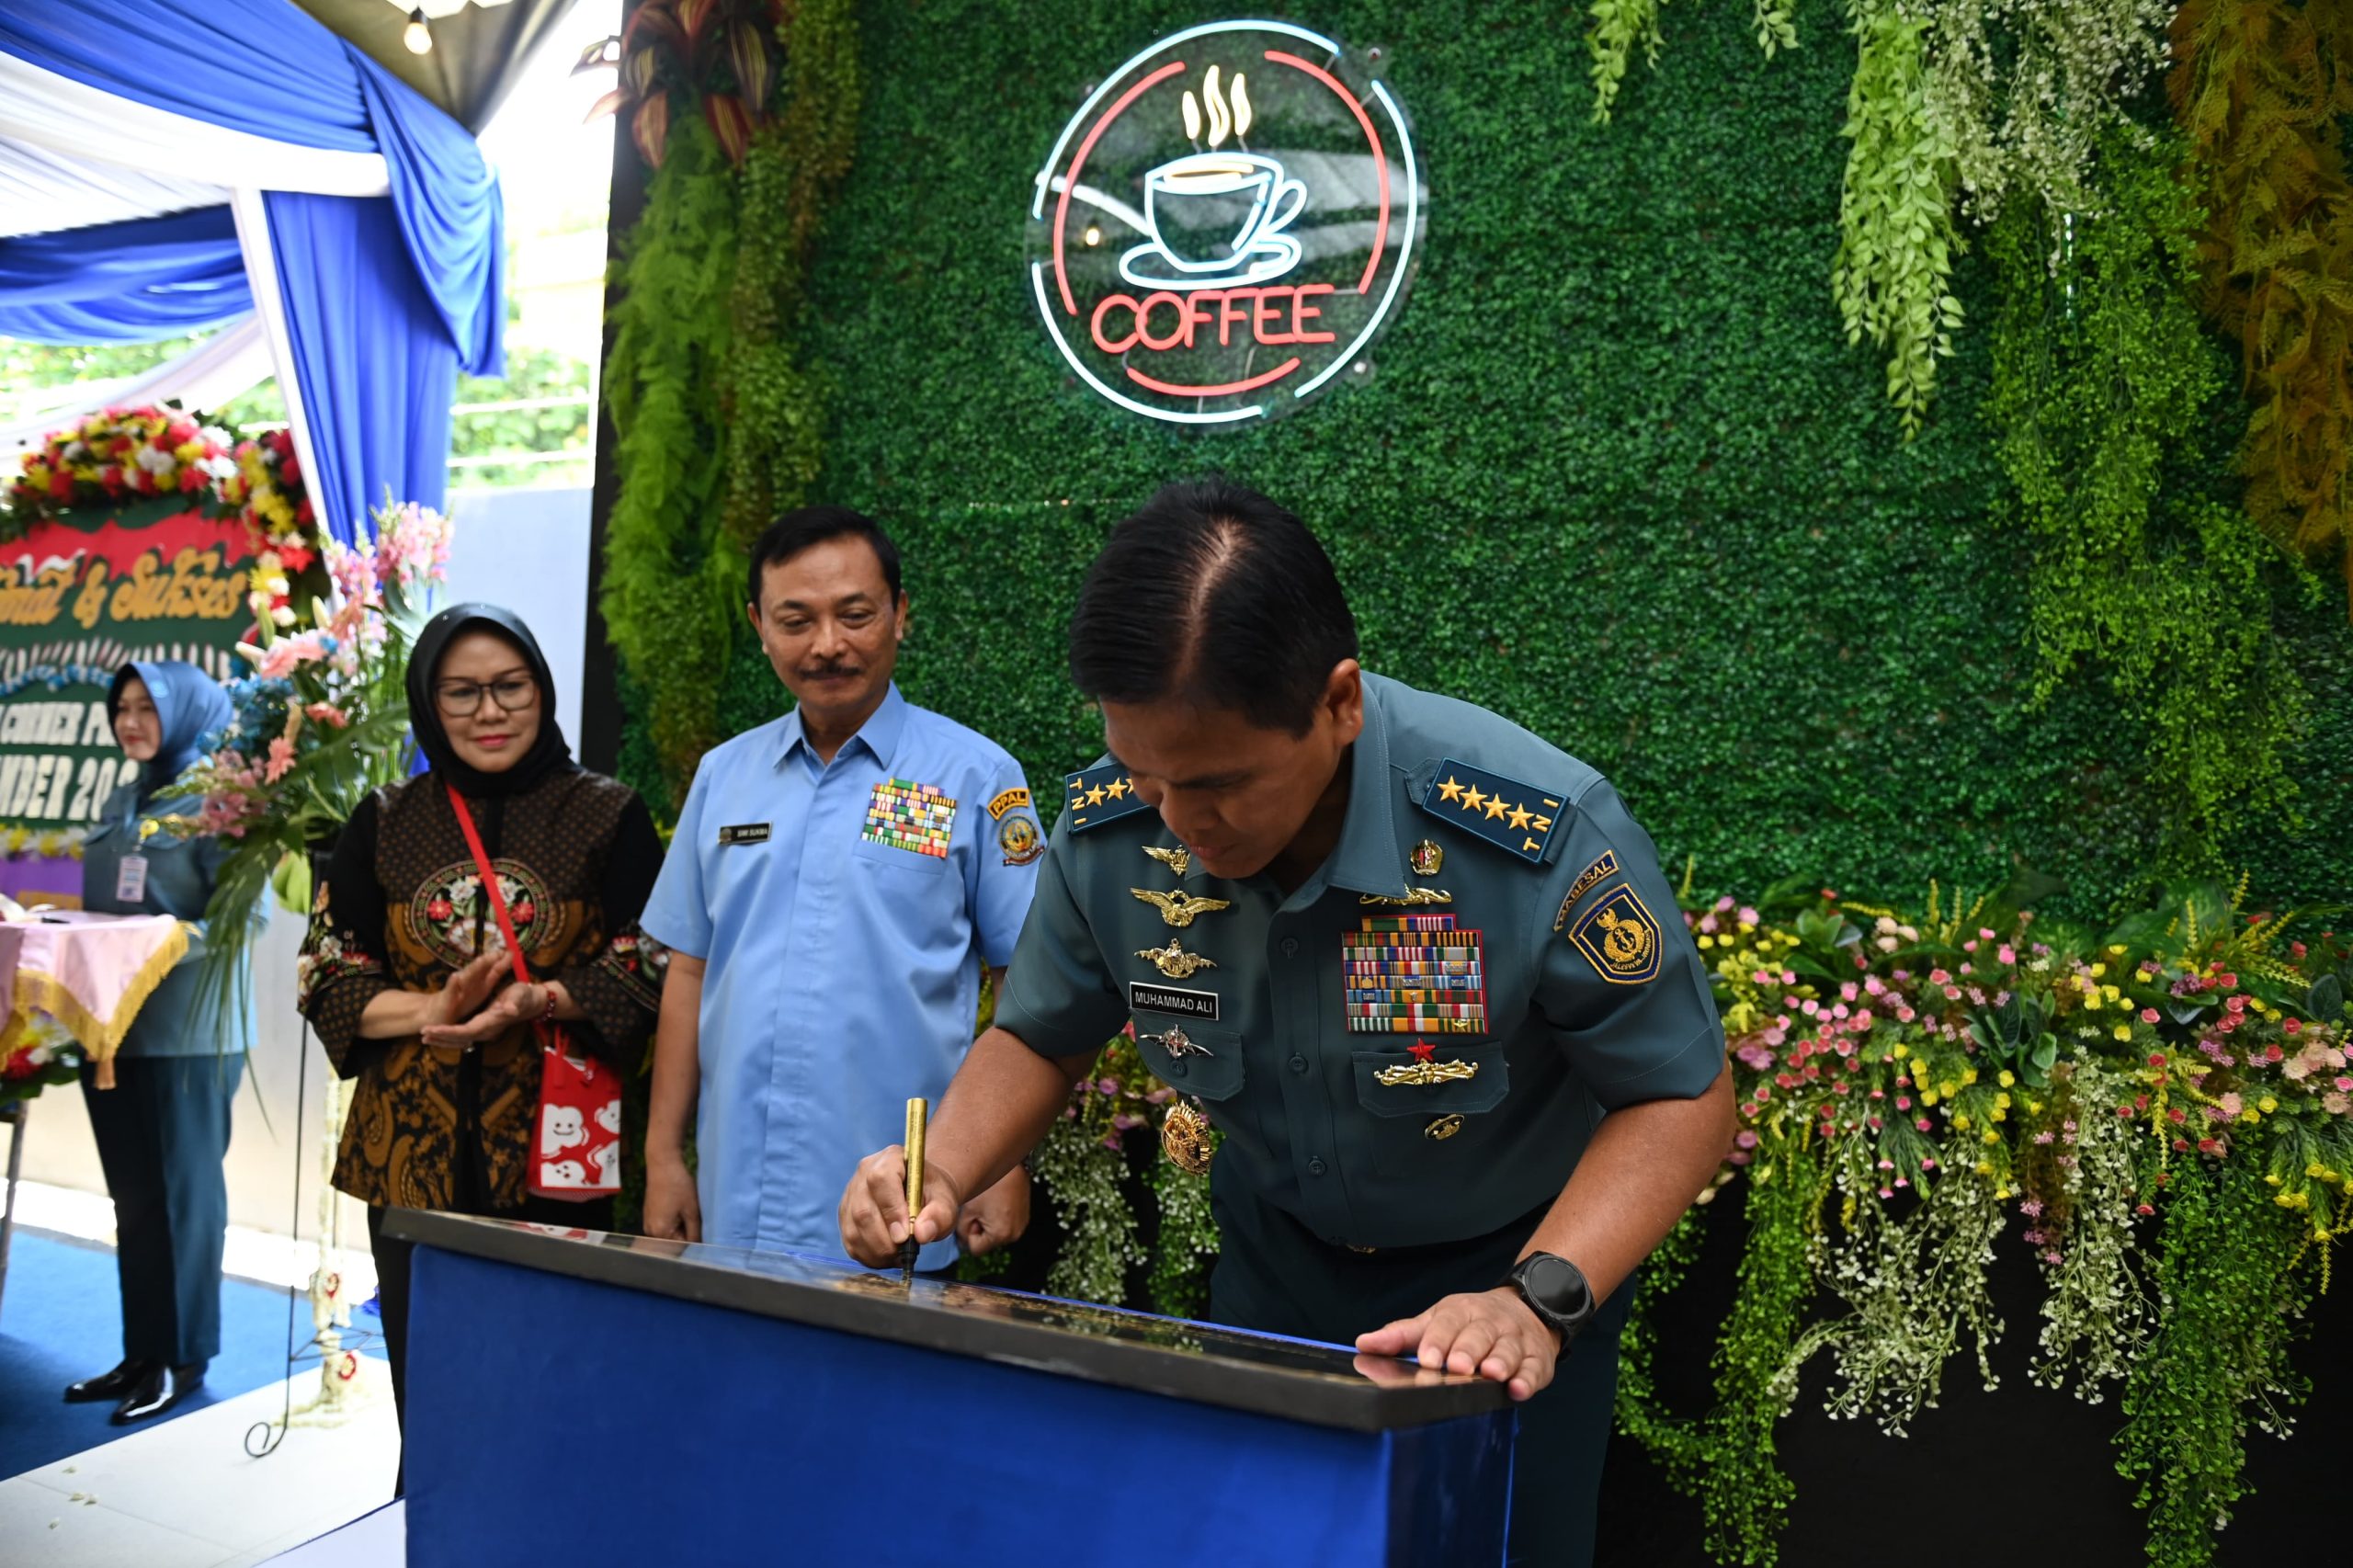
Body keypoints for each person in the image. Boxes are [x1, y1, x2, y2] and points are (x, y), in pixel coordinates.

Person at [838, 479, 1734, 1566]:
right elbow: (1041, 1031)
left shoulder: (1525, 832)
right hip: (1273, 1274)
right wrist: (944, 1169)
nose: (1180, 822)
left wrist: (1536, 1298)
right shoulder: (1114, 830)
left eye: (1217, 783)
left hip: (1511, 1277)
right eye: (1144, 774)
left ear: (1340, 701)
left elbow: (1678, 1092)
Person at [298, 606, 666, 1465]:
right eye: (461, 692)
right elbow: (327, 974)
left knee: (555, 1390)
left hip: (556, 1157)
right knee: (427, 1398)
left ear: (541, 689)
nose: (489, 711)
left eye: (511, 686)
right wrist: (432, 1010)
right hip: (408, 1158)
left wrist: (537, 1001)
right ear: (429, 703)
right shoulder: (384, 819)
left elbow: (649, 961)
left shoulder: (606, 813)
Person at [639, 506, 1040, 1267]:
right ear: (760, 625)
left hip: (908, 1200)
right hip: (736, 1197)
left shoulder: (977, 777)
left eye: (855, 614)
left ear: (899, 615)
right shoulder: (725, 776)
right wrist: (664, 1156)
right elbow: (689, 970)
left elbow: (1022, 978)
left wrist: (1002, 1159)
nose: (827, 645)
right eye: (796, 620)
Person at [63, 661, 247, 1425]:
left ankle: (183, 1356)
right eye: (122, 708)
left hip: (189, 1035)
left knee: (184, 1200)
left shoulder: (223, 803)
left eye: (148, 707)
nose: (131, 721)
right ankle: (141, 1352)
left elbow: (244, 921)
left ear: (184, 713)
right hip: (116, 1031)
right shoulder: (122, 796)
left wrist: (155, 942)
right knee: (135, 1201)